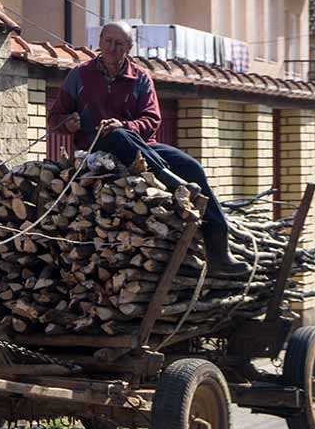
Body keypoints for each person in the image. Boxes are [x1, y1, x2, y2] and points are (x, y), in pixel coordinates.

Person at [46, 20, 249, 275]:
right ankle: (172, 182)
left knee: (191, 165)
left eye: (119, 43)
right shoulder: (80, 75)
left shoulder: (140, 78)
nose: (111, 47)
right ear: (99, 42)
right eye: (107, 41)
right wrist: (69, 123)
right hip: (95, 147)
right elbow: (56, 118)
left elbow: (152, 120)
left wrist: (125, 125)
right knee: (115, 136)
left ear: (129, 48)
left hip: (140, 146)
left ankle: (219, 250)